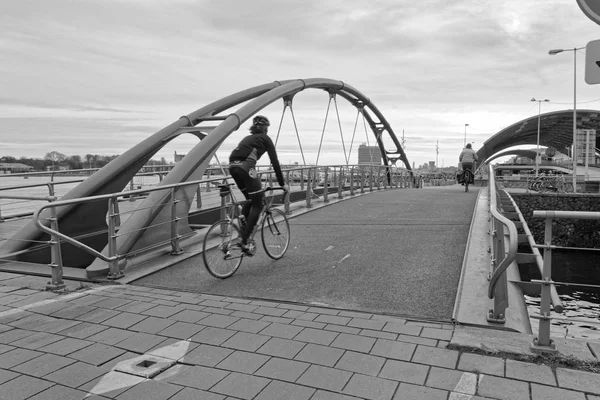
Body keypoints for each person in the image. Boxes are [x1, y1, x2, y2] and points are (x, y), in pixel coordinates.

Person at [228, 115, 288, 253]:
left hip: (232, 167)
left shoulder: (247, 138)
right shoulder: (265, 139)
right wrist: (282, 183)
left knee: (250, 199)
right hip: (246, 168)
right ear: (266, 128)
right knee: (258, 204)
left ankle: (243, 228)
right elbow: (275, 162)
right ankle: (244, 240)